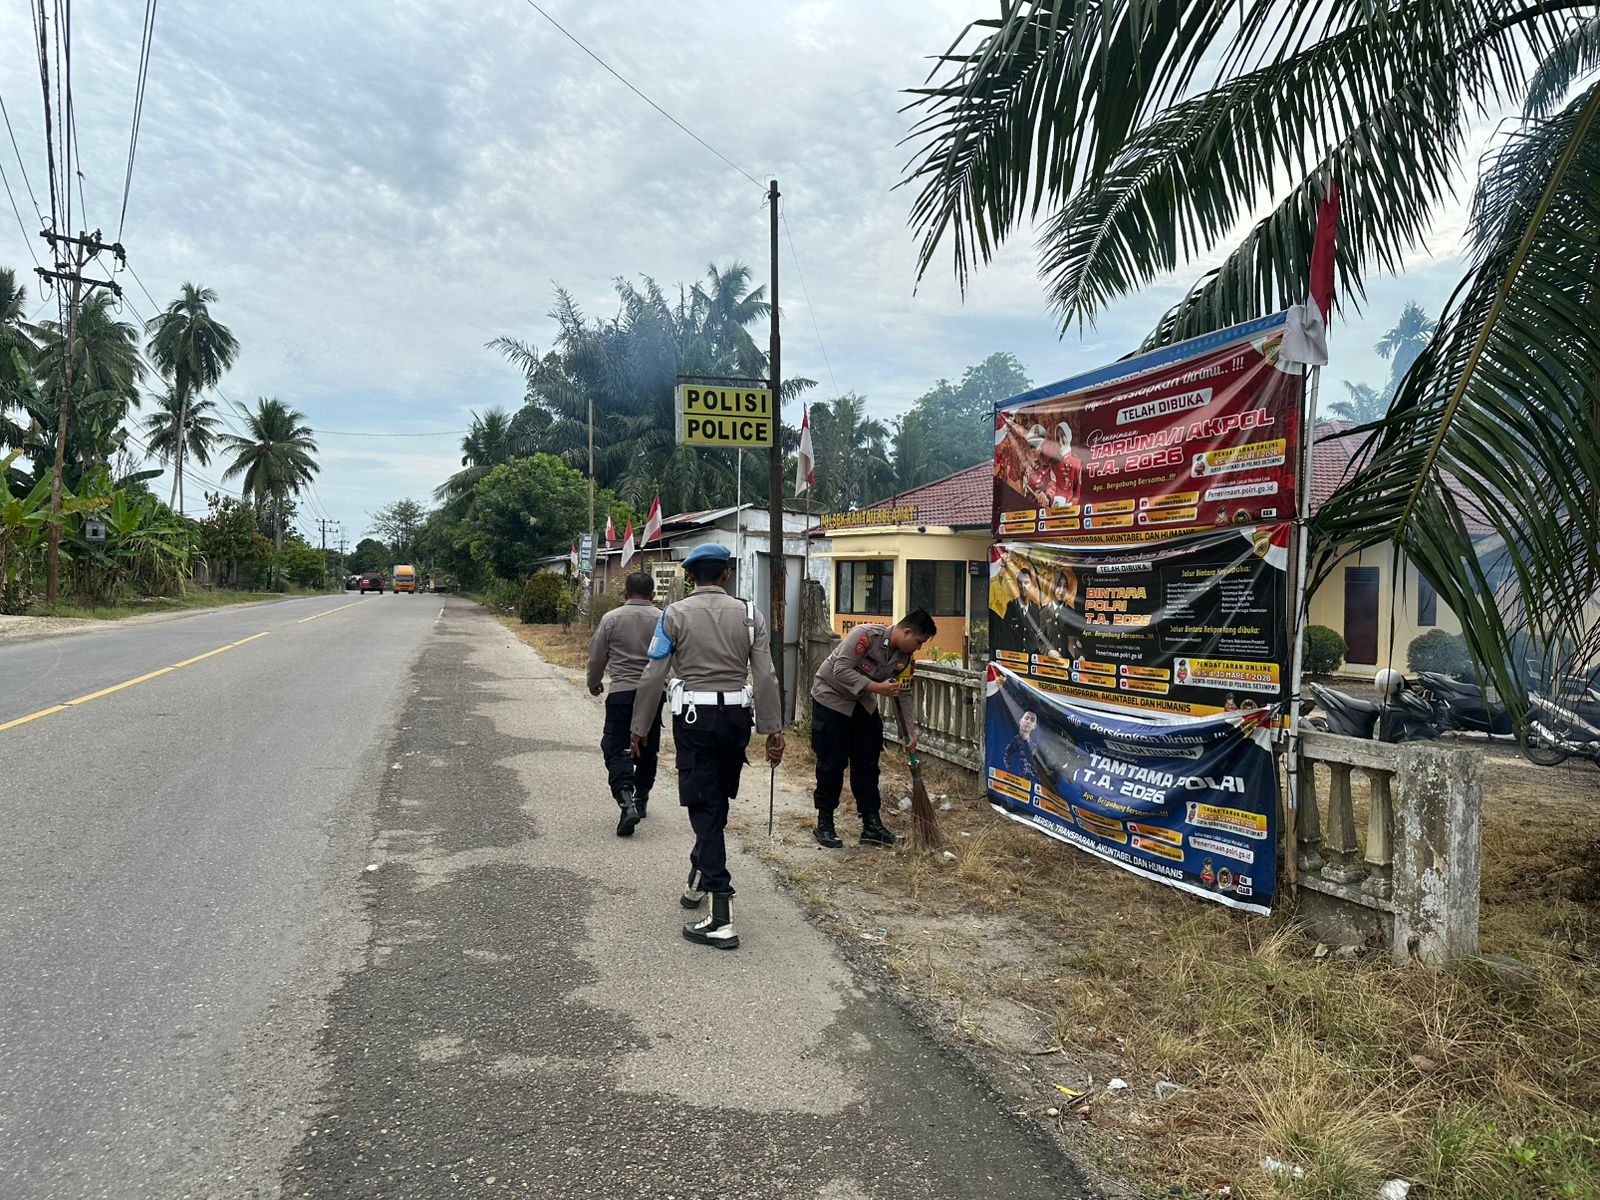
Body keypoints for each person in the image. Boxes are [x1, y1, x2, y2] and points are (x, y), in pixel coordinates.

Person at [630, 543, 783, 952]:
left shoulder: (674, 615)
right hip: (736, 721)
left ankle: (720, 916)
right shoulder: (751, 614)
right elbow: (765, 675)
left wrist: (640, 726)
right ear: (726, 575)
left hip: (694, 720)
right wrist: (773, 729)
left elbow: (653, 674)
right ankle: (699, 878)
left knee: (704, 805)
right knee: (717, 804)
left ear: (692, 577)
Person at [809, 610, 938, 849]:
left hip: (863, 705)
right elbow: (841, 669)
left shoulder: (906, 659)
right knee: (832, 763)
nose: (918, 648)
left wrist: (908, 733)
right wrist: (878, 687)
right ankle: (824, 823)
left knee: (868, 765)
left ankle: (871, 825)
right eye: (919, 642)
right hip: (831, 699)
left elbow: (904, 694)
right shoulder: (865, 636)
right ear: (907, 632)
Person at [585, 571, 663, 838]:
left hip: (621, 693)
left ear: (625, 594)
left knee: (615, 747)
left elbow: (597, 657)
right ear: (653, 595)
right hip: (653, 694)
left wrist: (593, 682)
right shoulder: (664, 618)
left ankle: (625, 799)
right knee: (648, 747)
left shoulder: (612, 618)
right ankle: (641, 798)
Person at [995, 566, 1044, 660]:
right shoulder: (1011, 607)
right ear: (1017, 584)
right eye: (1020, 583)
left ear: (1031, 584)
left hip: (1031, 658)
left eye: (1026, 583)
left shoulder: (1035, 608)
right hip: (1015, 658)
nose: (1023, 586)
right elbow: (1005, 634)